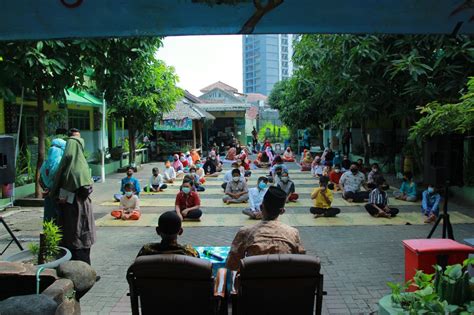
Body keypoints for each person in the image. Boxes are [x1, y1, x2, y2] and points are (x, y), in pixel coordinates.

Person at [226, 186, 306, 270]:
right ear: (282, 211)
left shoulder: (245, 232)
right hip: (283, 282)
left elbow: (232, 264)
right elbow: (301, 262)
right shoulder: (293, 233)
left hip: (252, 282)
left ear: (261, 207)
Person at [50, 128, 95, 265]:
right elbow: (85, 190)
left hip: (71, 209)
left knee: (73, 237)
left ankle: (79, 269)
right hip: (78, 209)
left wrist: (63, 196)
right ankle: (82, 269)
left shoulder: (65, 166)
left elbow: (59, 186)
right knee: (79, 237)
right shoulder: (80, 166)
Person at [40, 137, 66, 222]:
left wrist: (46, 189)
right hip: (60, 197)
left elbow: (40, 180)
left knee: (49, 220)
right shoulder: (61, 163)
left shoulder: (45, 163)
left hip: (48, 197)